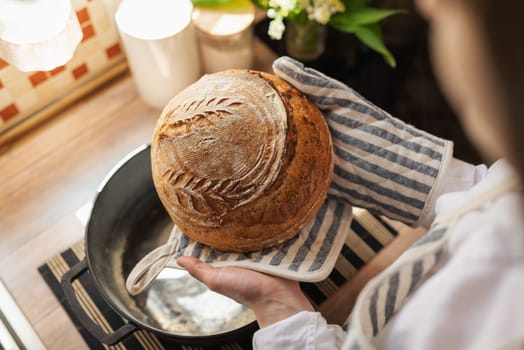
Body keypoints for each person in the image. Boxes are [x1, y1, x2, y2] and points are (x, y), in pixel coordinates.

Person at [177, 0, 524, 348]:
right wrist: (437, 181)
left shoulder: (497, 314)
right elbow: (504, 207)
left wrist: (277, 307)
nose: (430, 6)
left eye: (457, 12)